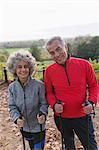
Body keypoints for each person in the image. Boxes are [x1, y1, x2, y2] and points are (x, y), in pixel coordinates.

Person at [44, 36, 98, 150]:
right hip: (61, 118)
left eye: (58, 49)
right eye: (52, 53)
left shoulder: (85, 65)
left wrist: (92, 103)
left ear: (66, 47)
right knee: (68, 146)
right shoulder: (49, 71)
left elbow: (94, 86)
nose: (57, 55)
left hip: (82, 116)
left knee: (91, 147)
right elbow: (49, 92)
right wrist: (54, 104)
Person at [7, 50, 48, 150]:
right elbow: (12, 107)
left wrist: (43, 113)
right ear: (14, 69)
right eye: (19, 67)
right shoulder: (12, 87)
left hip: (39, 127)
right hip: (24, 127)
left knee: (38, 148)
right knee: (31, 147)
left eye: (26, 66)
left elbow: (44, 103)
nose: (23, 70)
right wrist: (16, 118)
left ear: (30, 68)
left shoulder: (39, 85)